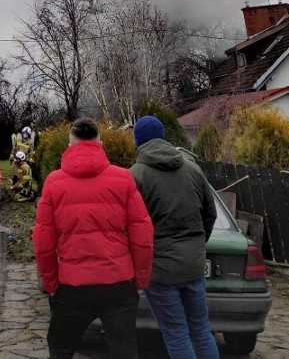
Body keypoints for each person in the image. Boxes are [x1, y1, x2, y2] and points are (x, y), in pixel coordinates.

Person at [33, 118, 153, 359]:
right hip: (118, 283)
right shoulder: (122, 179)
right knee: (125, 351)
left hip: (72, 285)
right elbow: (142, 234)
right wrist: (139, 280)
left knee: (60, 348)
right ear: (100, 143)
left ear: (69, 146)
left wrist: (52, 284)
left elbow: (43, 243)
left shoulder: (54, 183)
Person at [130, 115, 219, 359]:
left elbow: (131, 226)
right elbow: (210, 215)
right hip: (193, 265)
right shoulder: (193, 169)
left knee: (176, 332)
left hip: (160, 269)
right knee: (201, 330)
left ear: (137, 141)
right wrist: (198, 245)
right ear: (164, 137)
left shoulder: (135, 176)